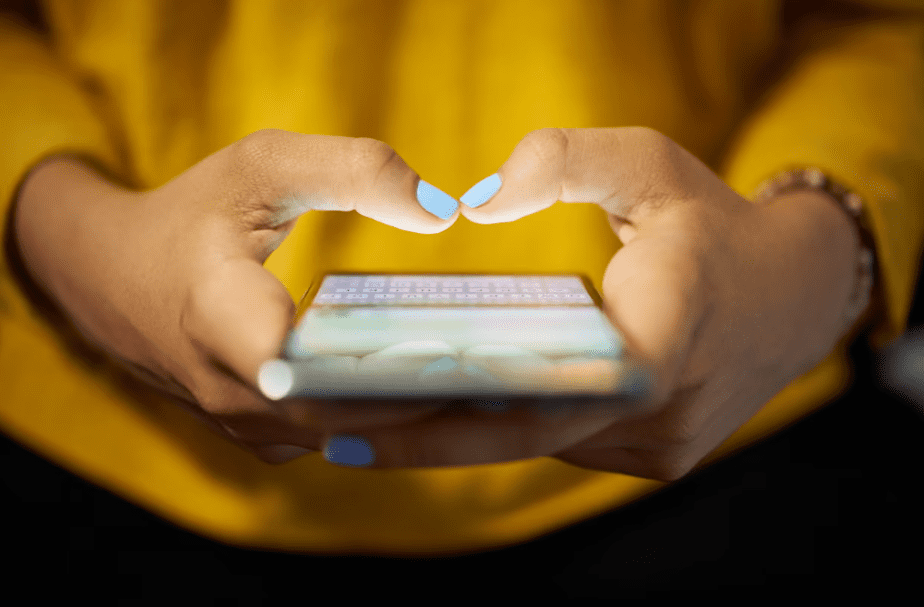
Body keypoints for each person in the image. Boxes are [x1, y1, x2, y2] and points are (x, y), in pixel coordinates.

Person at [1, 0, 922, 575]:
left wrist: (808, 262)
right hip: (100, 463)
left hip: (740, 450)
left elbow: (886, 23)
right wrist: (59, 228)